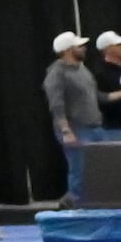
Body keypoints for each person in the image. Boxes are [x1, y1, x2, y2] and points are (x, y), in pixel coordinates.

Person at [43, 29, 99, 169]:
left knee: (99, 172)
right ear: (67, 50)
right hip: (76, 129)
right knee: (80, 171)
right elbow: (56, 104)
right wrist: (66, 131)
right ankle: (77, 192)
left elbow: (93, 94)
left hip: (94, 127)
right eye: (79, 46)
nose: (84, 48)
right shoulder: (56, 74)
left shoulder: (82, 69)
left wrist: (119, 94)